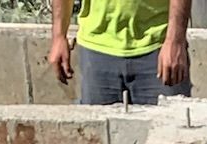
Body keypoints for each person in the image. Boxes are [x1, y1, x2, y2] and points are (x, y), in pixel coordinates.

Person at [49, 0, 191, 107]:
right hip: (96, 49)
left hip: (157, 48)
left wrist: (175, 40)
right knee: (100, 142)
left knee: (169, 137)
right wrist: (59, 36)